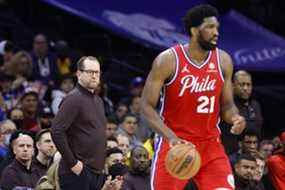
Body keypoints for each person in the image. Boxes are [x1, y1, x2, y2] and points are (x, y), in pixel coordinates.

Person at [141, 4, 246, 190]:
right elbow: (147, 107)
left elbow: (228, 106)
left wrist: (235, 118)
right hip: (175, 144)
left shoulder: (223, 61)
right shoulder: (168, 60)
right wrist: (170, 137)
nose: (216, 33)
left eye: (217, 28)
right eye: (210, 27)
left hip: (211, 146)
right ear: (194, 30)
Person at [51, 56, 112, 190]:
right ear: (79, 74)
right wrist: (73, 163)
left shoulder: (99, 101)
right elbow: (56, 131)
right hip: (77, 172)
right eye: (90, 72)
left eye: (97, 72)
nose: (94, 76)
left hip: (96, 172)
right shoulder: (73, 98)